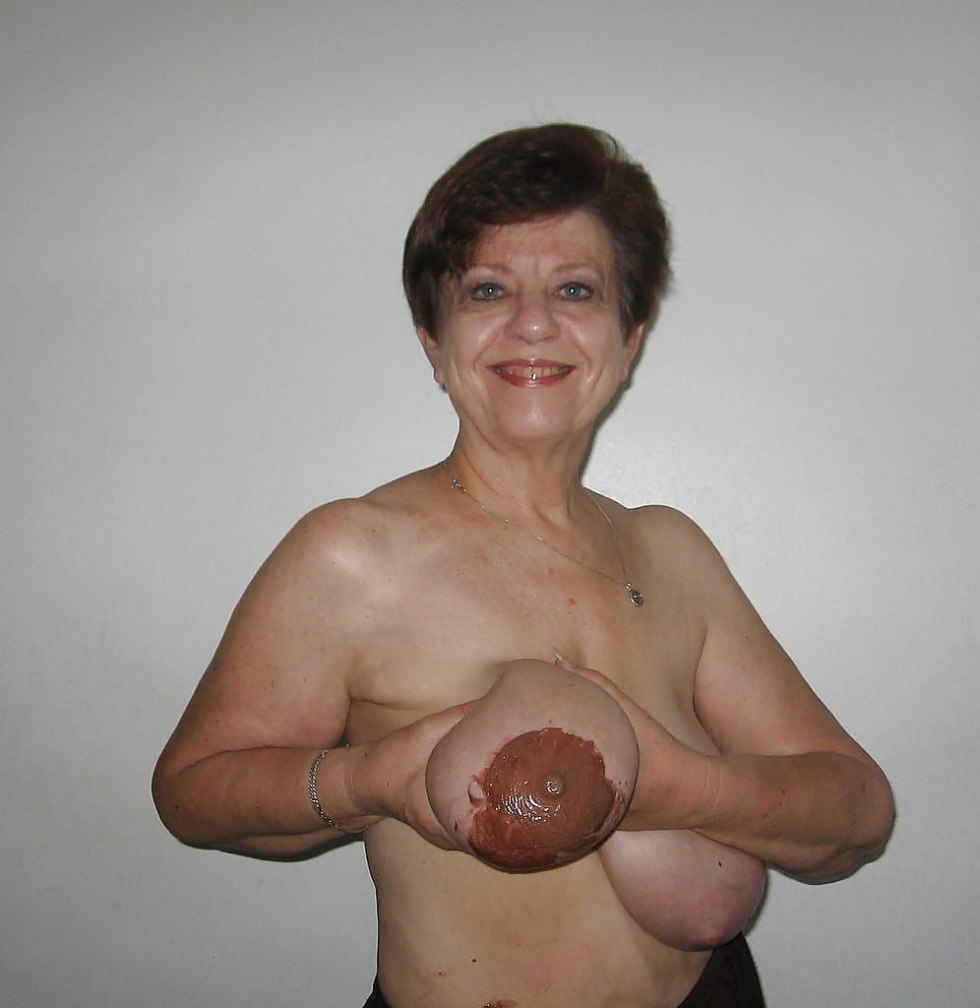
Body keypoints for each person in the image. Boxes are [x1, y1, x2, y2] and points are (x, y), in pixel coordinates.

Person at [152, 123, 895, 1008]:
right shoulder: (354, 553)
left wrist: (674, 787)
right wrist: (369, 779)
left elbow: (856, 811)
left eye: (575, 289)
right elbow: (193, 792)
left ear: (629, 338)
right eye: (488, 289)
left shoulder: (671, 551)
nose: (533, 322)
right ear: (433, 340)